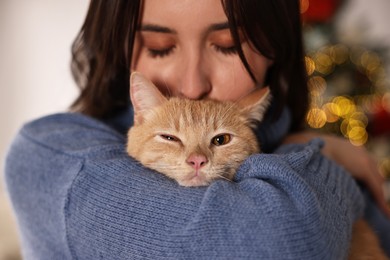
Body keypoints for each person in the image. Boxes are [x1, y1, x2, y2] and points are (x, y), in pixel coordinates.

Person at [4, 0, 390, 259]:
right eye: (158, 46)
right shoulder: (52, 154)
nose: (191, 85)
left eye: (226, 45)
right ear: (119, 47)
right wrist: (313, 152)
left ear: (276, 46)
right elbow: (281, 241)